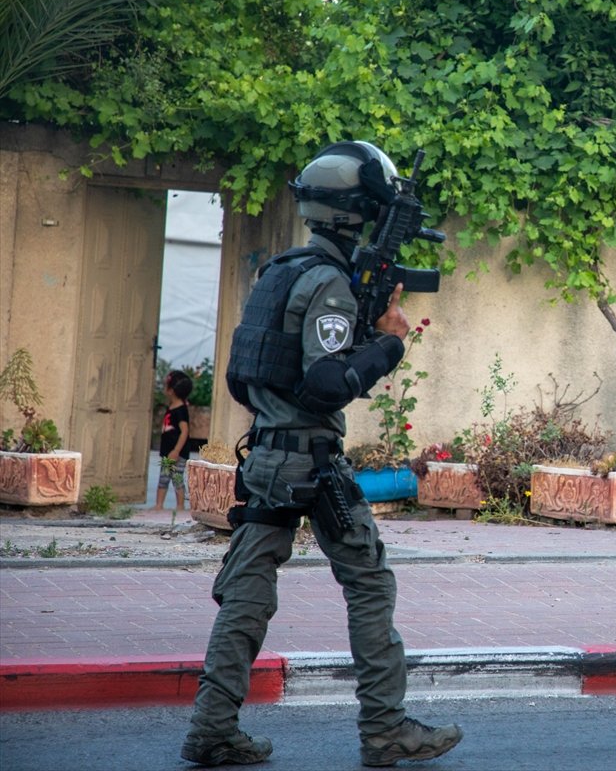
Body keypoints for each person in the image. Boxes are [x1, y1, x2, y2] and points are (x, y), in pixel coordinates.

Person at [182, 141, 463, 767]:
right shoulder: (331, 283)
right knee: (368, 582)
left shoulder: (281, 271)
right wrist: (388, 344)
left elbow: (244, 376)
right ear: (358, 212)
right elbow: (324, 384)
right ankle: (386, 730)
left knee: (247, 594)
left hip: (268, 458)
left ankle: (212, 727)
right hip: (311, 462)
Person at [154, 370, 192, 510]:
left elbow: (185, 431)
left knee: (177, 478)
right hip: (167, 451)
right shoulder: (171, 407)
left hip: (177, 453)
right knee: (163, 478)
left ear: (171, 391)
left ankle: (180, 506)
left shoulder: (181, 410)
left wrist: (176, 451)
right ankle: (158, 505)